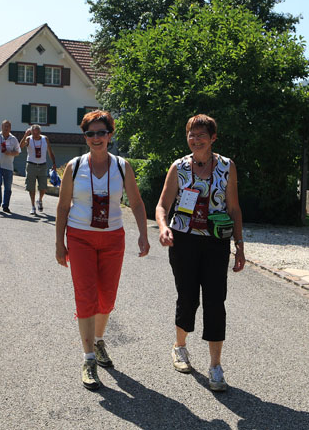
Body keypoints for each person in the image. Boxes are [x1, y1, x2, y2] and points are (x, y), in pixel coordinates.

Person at [55, 110, 150, 390]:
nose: (96, 138)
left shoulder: (122, 166)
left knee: (106, 298)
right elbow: (62, 206)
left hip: (112, 238)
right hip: (80, 237)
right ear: (85, 137)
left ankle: (97, 341)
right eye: (90, 133)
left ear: (110, 135)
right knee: (86, 297)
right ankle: (88, 359)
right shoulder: (74, 167)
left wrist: (144, 235)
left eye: (101, 132)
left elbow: (136, 203)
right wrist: (59, 243)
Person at [155, 114, 245, 392]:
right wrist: (163, 228)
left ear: (213, 138)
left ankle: (215, 366)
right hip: (183, 240)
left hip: (216, 241)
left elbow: (234, 208)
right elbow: (162, 206)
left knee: (216, 301)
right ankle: (180, 347)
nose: (196, 140)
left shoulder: (227, 167)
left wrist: (239, 245)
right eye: (191, 135)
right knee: (188, 297)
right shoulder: (179, 167)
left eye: (201, 135)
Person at [19, 124, 57, 214]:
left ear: (40, 132)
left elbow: (50, 152)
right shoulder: (28, 139)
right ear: (31, 132)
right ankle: (33, 206)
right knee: (31, 187)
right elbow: (20, 147)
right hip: (31, 165)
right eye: (34, 133)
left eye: (37, 133)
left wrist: (54, 163)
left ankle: (39, 200)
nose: (35, 135)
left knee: (43, 187)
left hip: (42, 165)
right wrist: (25, 135)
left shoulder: (45, 139)